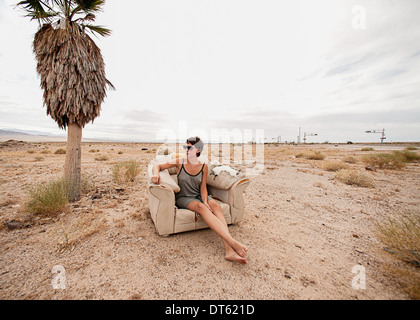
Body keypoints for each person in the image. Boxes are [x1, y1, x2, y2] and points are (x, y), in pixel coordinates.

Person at [151, 137, 248, 264]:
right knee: (202, 208)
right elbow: (157, 166)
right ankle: (232, 242)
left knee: (216, 207)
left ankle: (229, 250)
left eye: (189, 147)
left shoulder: (203, 166)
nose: (186, 149)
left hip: (199, 196)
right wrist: (155, 174)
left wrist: (206, 202)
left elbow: (203, 189)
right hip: (184, 198)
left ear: (197, 150)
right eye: (185, 147)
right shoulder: (180, 162)